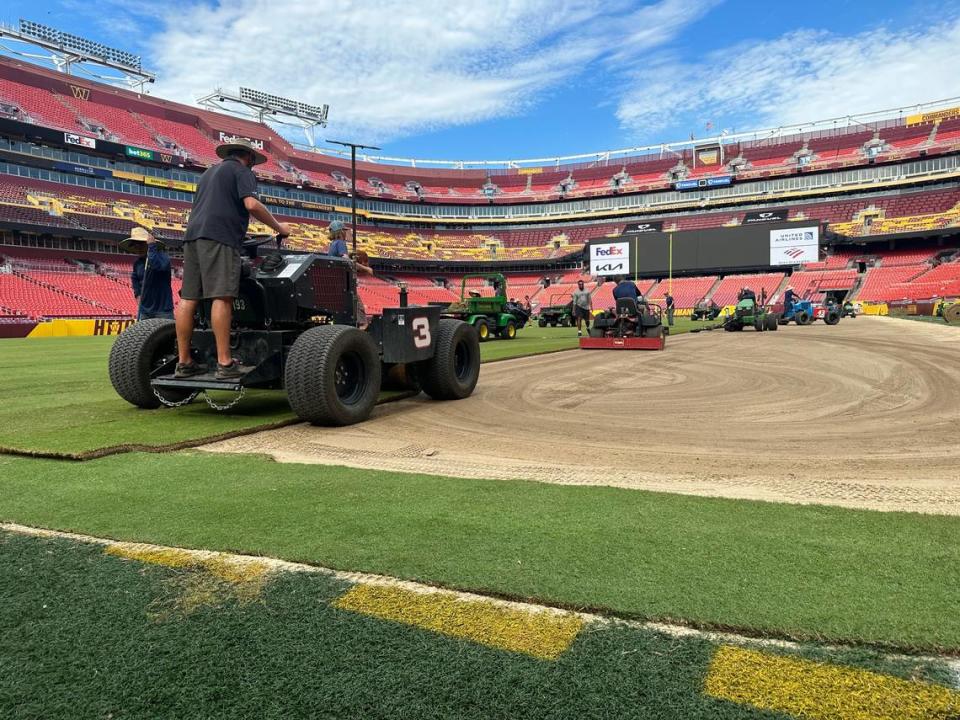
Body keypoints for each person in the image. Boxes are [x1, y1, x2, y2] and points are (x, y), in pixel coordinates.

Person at [174, 137, 292, 380]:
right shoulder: (241, 171)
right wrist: (279, 227)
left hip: (193, 237)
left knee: (188, 299)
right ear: (248, 157)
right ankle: (225, 363)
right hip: (220, 238)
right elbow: (251, 204)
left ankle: (184, 362)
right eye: (253, 162)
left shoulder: (208, 174)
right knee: (222, 296)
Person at [121, 226, 173, 320]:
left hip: (163, 310)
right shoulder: (138, 263)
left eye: (141, 244)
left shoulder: (163, 258)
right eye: (135, 246)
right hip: (145, 310)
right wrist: (137, 294)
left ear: (148, 243)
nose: (138, 248)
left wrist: (152, 248)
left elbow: (156, 266)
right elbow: (135, 278)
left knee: (166, 334)